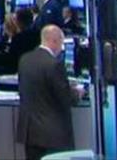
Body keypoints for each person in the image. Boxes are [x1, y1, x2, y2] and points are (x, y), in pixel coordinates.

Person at [17, 25, 84, 160]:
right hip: (53, 135)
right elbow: (65, 97)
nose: (62, 48)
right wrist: (78, 93)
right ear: (55, 41)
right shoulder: (54, 64)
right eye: (62, 43)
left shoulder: (25, 60)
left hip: (30, 133)